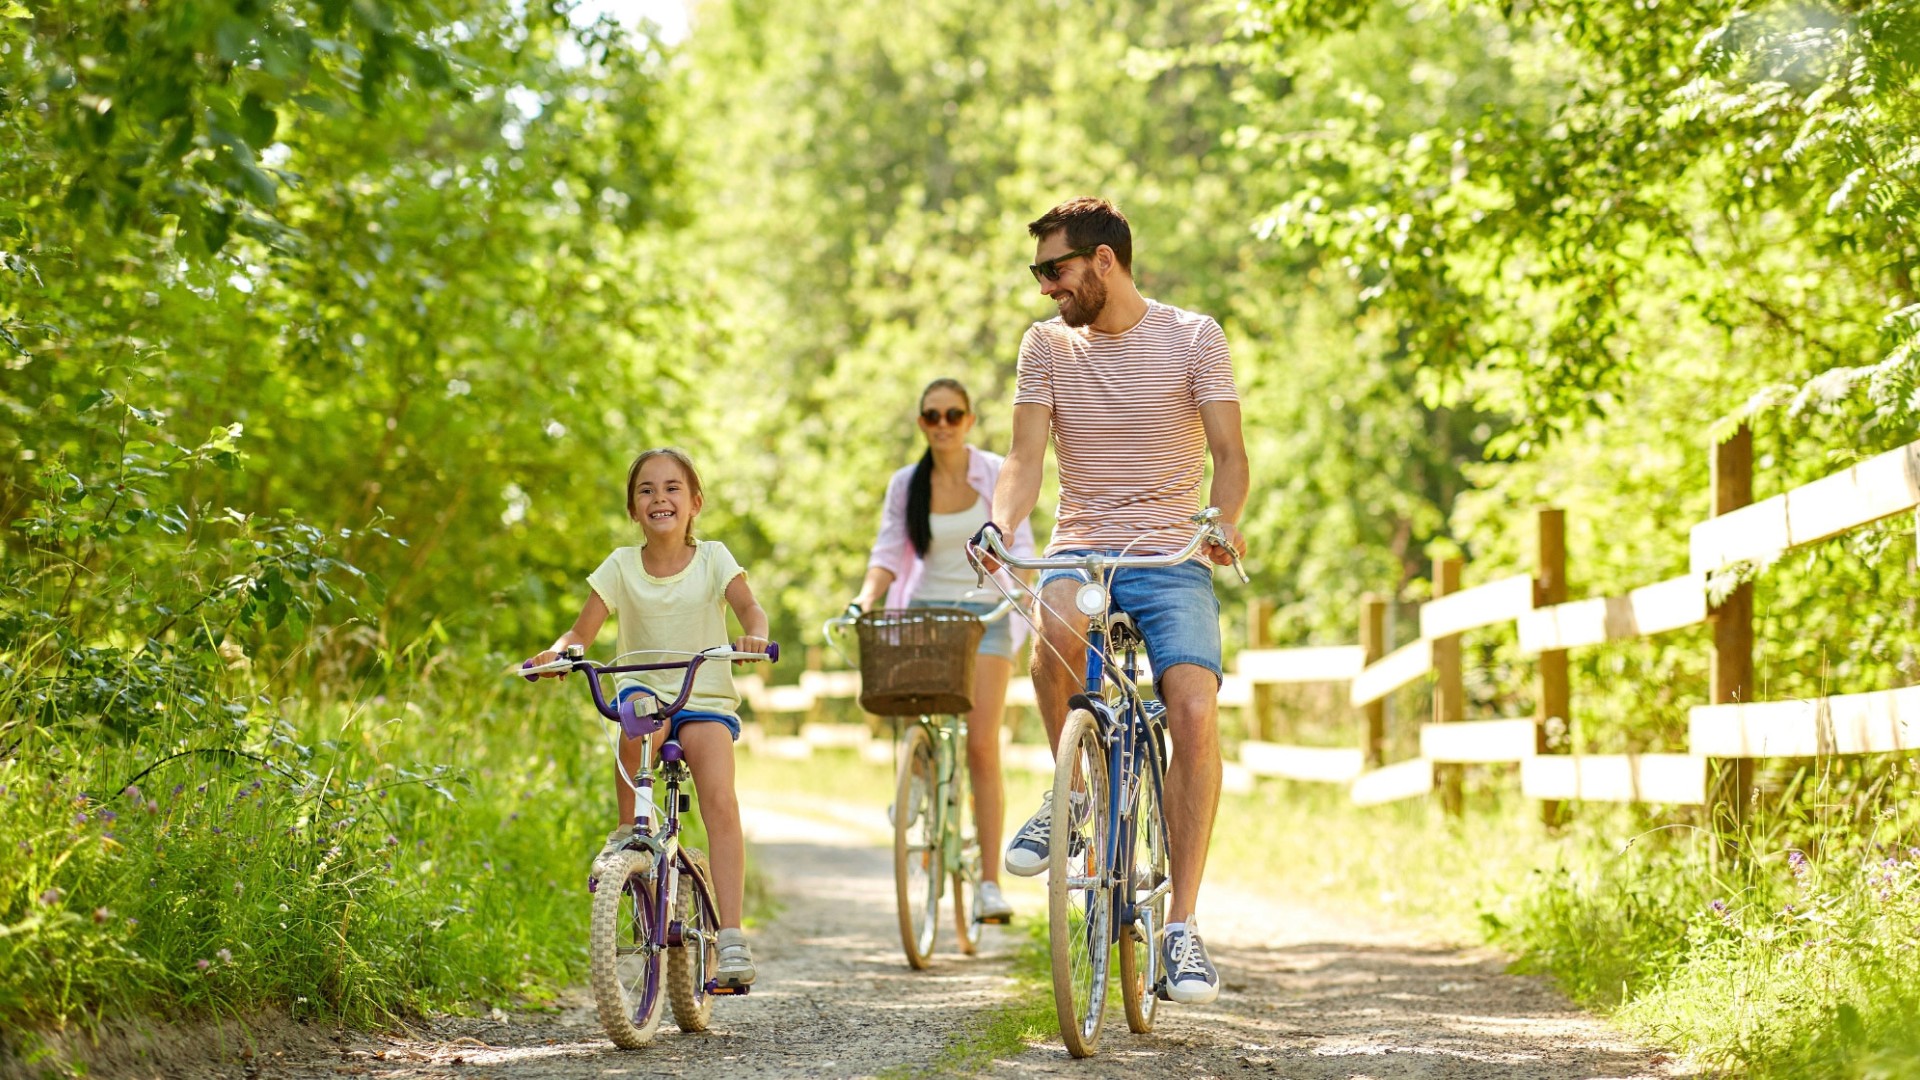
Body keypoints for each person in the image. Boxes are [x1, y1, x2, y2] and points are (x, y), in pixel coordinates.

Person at [971, 197, 1249, 1005]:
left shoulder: (1196, 337)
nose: (1046, 287)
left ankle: (1182, 929)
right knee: (1051, 626)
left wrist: (1220, 526)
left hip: (1172, 555)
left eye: (1054, 269)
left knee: (1193, 710)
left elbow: (1230, 454)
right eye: (1040, 272)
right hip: (1082, 543)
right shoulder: (1045, 347)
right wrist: (1000, 524)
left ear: (1103, 261)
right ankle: (1078, 795)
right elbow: (1024, 459)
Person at [525, 447, 771, 989]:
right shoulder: (619, 566)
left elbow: (749, 609)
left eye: (672, 488)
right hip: (645, 688)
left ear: (695, 503)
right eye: (646, 490)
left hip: (702, 692)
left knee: (719, 795)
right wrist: (558, 654)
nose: (659, 497)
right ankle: (629, 836)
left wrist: (754, 633)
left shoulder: (714, 559)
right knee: (634, 723)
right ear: (633, 510)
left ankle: (731, 935)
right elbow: (579, 634)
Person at [850, 377, 1038, 926]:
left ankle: (988, 885)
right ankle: (916, 781)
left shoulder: (995, 473)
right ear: (921, 424)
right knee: (916, 714)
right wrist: (866, 598)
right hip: (925, 612)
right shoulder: (907, 484)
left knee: (981, 744)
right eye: (932, 416)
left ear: (969, 420)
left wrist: (1023, 587)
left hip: (986, 616)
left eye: (953, 415)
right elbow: (887, 549)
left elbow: (1021, 547)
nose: (943, 426)